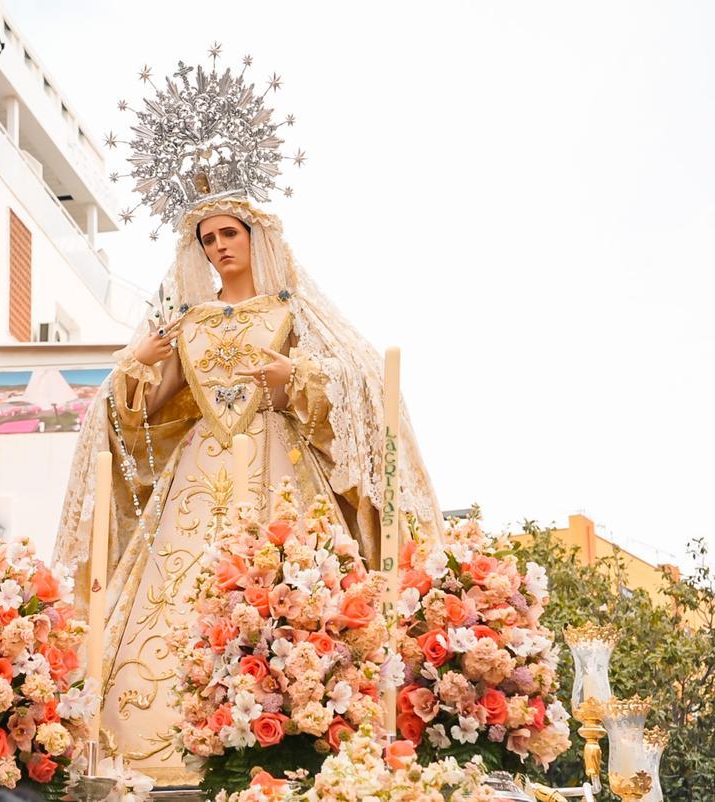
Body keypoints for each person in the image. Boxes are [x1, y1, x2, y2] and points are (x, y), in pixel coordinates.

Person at [53, 56, 444, 784]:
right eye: (207, 239)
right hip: (198, 471)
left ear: (254, 236)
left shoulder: (291, 311)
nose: (219, 246)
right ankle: (158, 754)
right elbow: (138, 408)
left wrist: (292, 376)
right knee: (170, 605)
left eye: (229, 232)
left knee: (290, 592)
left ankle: (305, 739)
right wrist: (134, 365)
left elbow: (359, 380)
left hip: (278, 463)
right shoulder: (187, 319)